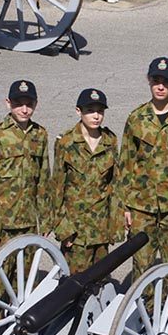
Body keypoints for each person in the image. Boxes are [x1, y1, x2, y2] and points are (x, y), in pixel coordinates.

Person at [0, 80, 50, 326]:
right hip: (3, 225)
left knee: (22, 287)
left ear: (35, 104)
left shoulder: (40, 135)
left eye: (29, 104)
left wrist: (45, 220)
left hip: (28, 224)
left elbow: (43, 180)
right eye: (18, 104)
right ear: (8, 103)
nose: (24, 109)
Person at [118, 57, 168, 282]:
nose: (160, 86)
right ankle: (144, 313)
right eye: (156, 80)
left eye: (166, 81)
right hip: (142, 205)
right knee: (142, 264)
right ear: (148, 81)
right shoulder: (136, 118)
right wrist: (124, 206)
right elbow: (126, 163)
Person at [50, 88, 121, 274]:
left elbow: (115, 184)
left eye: (100, 111)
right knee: (72, 284)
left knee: (100, 282)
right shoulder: (66, 142)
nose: (96, 116)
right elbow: (56, 187)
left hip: (101, 228)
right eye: (90, 110)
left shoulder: (110, 141)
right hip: (75, 230)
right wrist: (62, 227)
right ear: (78, 111)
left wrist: (115, 225)